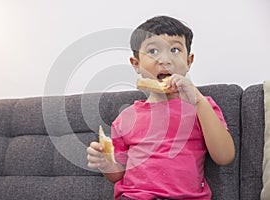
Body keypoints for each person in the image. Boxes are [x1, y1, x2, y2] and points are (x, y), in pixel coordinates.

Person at [86, 15, 235, 200]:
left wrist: (198, 100)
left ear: (189, 62)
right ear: (136, 64)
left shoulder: (201, 106)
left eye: (174, 49)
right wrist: (105, 163)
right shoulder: (126, 118)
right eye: (153, 51)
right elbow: (118, 175)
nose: (164, 60)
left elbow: (225, 156)